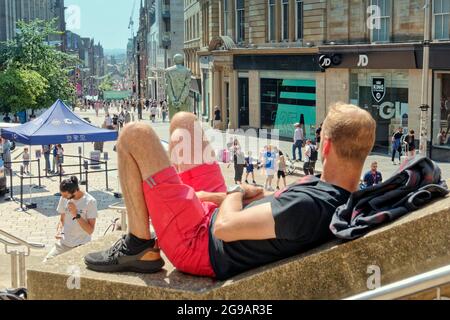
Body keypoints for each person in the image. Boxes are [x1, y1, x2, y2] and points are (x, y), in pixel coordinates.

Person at [84, 104, 376, 280]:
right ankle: (173, 206)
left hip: (200, 244)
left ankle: (138, 244)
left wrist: (236, 190)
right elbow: (264, 208)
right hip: (214, 217)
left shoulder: (309, 205)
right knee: (184, 123)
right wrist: (214, 198)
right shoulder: (333, 193)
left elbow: (225, 229)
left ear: (324, 146)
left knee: (135, 135)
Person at [44, 177, 98, 263]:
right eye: (62, 195)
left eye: (65, 195)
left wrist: (76, 214)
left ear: (75, 191)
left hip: (81, 246)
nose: (63, 197)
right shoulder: (64, 198)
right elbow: (62, 219)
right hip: (63, 244)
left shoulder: (90, 202)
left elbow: (90, 230)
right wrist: (59, 230)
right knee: (45, 264)